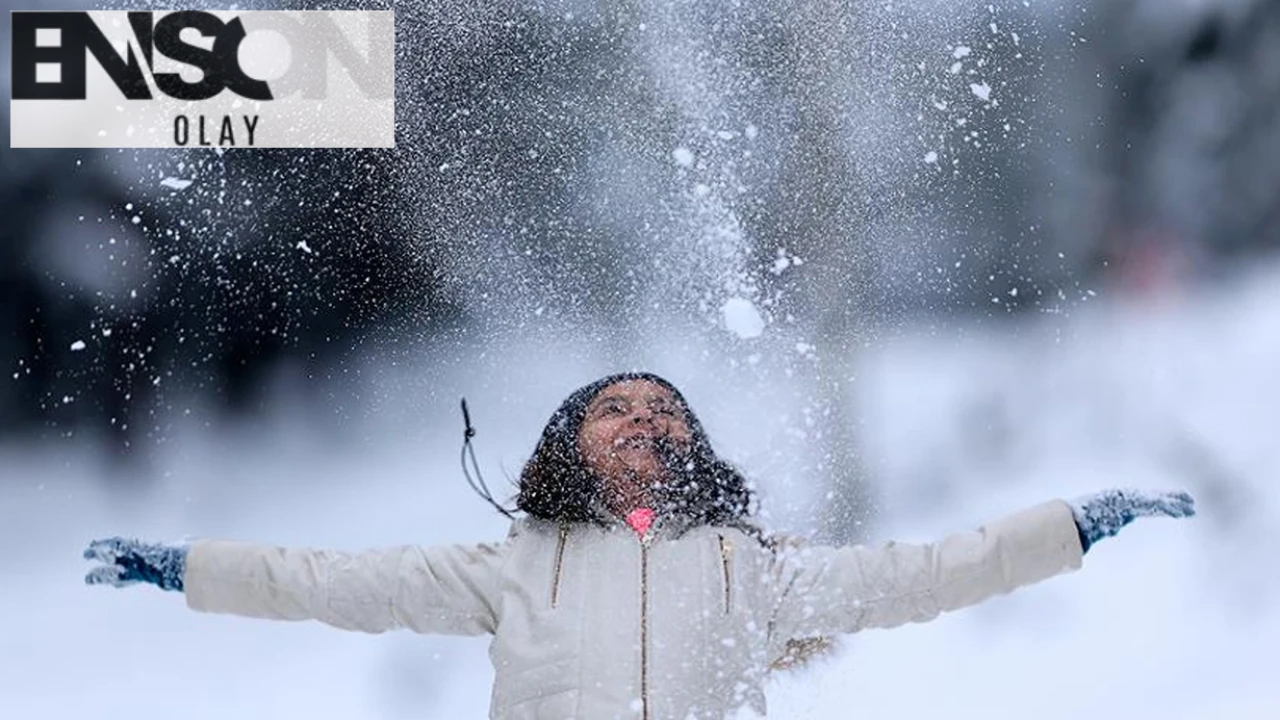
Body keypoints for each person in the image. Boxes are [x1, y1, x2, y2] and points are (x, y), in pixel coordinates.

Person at [84, 371, 1196, 720]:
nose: (645, 418)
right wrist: (185, 567)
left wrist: (1072, 526)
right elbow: (327, 582)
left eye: (666, 409)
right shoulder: (510, 565)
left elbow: (921, 574)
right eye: (615, 407)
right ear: (568, 445)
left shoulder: (747, 570)